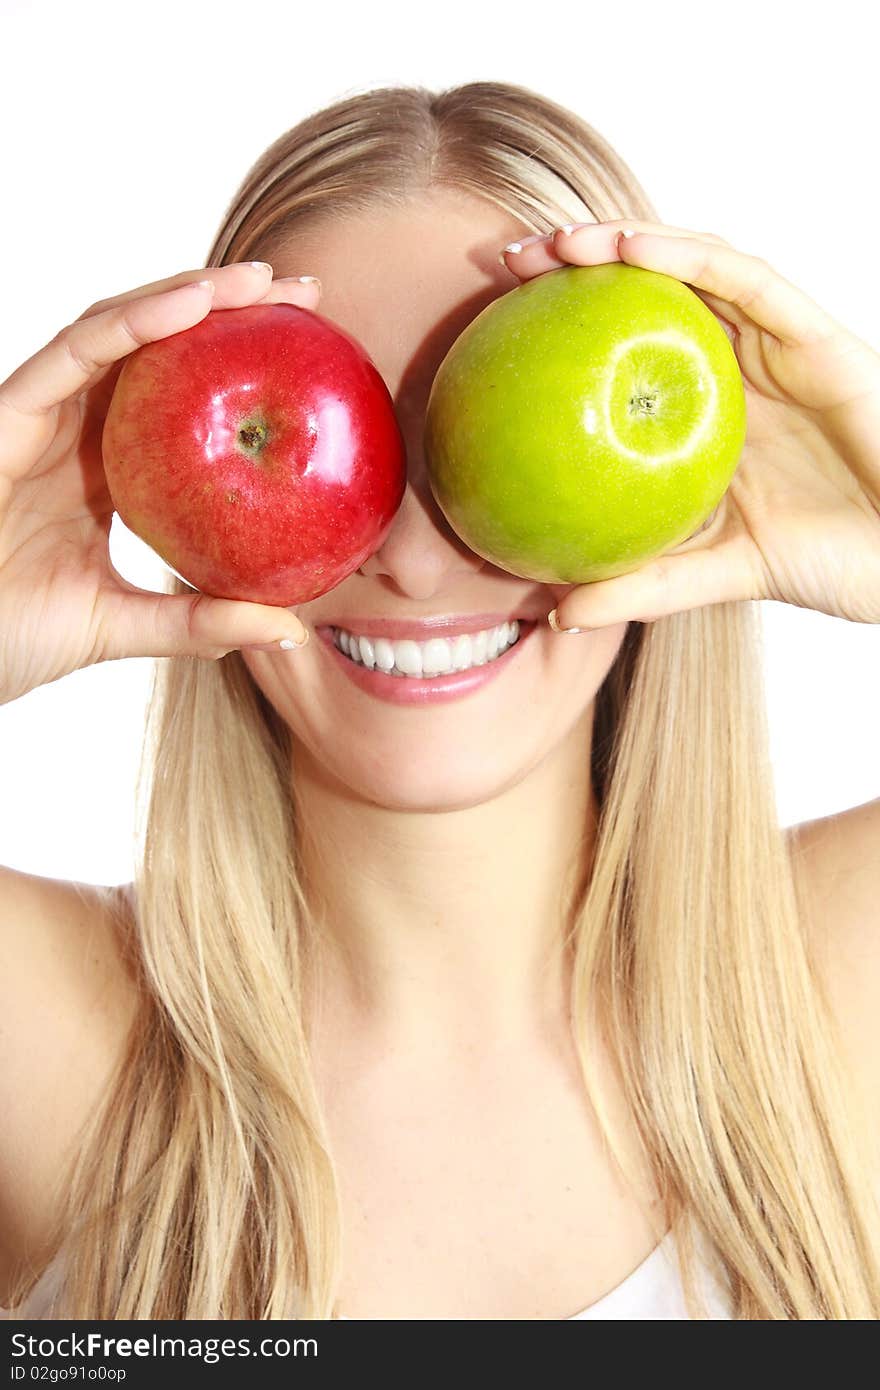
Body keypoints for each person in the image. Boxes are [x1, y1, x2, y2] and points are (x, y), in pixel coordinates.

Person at [1, 80, 879, 1322]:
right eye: (347, 440)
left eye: (481, 439)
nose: (414, 557)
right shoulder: (42, 1034)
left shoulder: (847, 985)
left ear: (676, 492)